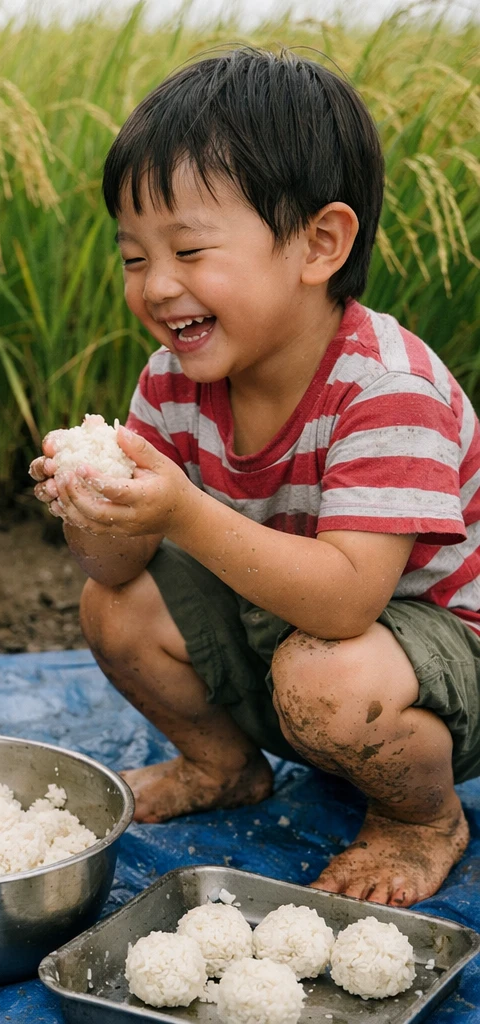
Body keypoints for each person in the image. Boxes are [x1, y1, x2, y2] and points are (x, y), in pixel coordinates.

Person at [31, 48, 478, 907]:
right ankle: (225, 765)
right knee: (112, 606)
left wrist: (184, 513)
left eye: (190, 250)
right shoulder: (172, 381)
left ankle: (423, 819)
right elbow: (117, 571)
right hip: (291, 639)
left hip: (429, 659)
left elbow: (348, 602)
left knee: (328, 676)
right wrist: (94, 512)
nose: (158, 287)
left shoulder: (385, 389)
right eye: (133, 257)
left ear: (319, 244)